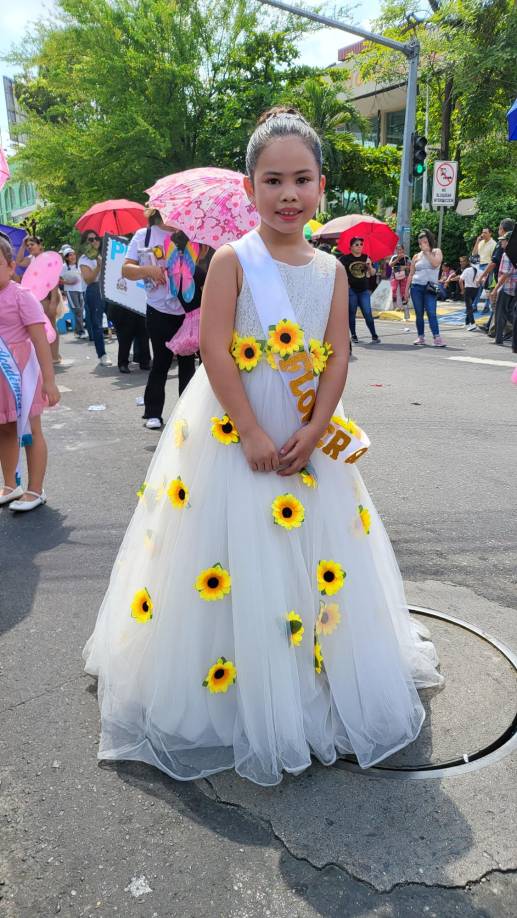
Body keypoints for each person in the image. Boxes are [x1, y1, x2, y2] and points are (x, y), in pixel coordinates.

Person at [83, 106, 443, 787]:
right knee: (229, 550)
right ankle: (239, 684)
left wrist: (314, 429)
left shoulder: (333, 270)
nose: (286, 194)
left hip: (307, 426)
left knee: (315, 555)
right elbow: (214, 346)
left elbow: (336, 354)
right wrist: (249, 428)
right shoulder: (231, 260)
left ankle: (315, 674)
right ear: (249, 188)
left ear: (320, 188)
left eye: (300, 180)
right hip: (230, 426)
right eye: (272, 179)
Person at [0, 237, 60, 511]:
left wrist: (49, 381)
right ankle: (11, 484)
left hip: (22, 375)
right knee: (5, 429)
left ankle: (36, 489)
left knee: (31, 430)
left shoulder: (20, 295)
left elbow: (39, 340)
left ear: (12, 266)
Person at [16, 235, 63, 364]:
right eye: (29, 245)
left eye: (33, 244)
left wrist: (54, 301)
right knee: (40, 327)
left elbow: (54, 281)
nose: (30, 247)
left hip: (48, 297)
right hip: (35, 298)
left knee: (51, 325)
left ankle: (54, 355)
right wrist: (22, 246)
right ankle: (46, 355)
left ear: (40, 245)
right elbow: (18, 261)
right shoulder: (30, 259)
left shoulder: (47, 258)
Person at [78, 230, 112, 367]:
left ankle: (126, 352)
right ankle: (102, 354)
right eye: (90, 240)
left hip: (109, 288)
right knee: (97, 324)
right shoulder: (84, 259)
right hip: (94, 289)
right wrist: (98, 267)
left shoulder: (106, 253)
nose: (94, 241)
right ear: (85, 242)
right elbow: (88, 279)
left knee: (117, 319)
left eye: (96, 238)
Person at [476, 219, 516, 333]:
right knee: (500, 306)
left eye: (499, 228)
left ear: (502, 230)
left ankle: (500, 331)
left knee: (500, 306)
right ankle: (491, 327)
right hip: (509, 281)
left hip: (503, 281)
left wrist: (481, 277)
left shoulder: (502, 244)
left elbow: (494, 263)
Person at [338, 237, 381, 344]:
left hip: (364, 290)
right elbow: (337, 271)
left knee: (367, 312)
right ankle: (353, 335)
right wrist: (345, 283)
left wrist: (369, 266)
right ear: (351, 247)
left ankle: (374, 335)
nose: (359, 246)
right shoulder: (345, 259)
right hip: (351, 290)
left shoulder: (366, 257)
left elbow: (372, 273)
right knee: (352, 313)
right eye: (356, 244)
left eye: (361, 244)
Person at [407, 229, 445, 347]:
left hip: (430, 288)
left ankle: (437, 337)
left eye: (425, 242)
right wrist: (406, 290)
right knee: (419, 313)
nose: (422, 244)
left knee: (431, 312)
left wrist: (427, 252)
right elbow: (411, 274)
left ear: (429, 241)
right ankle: (421, 336)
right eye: (420, 242)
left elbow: (435, 264)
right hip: (416, 286)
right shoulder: (416, 256)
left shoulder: (436, 252)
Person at [490, 233, 517, 346]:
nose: (501, 243)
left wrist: (495, 290)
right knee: (511, 313)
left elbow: (505, 274)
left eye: (503, 240)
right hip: (514, 288)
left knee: (500, 314)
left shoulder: (507, 255)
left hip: (506, 287)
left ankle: (498, 338)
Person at [60, 247, 86, 337]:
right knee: (77, 310)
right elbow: (58, 279)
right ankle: (80, 331)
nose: (73, 257)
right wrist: (68, 282)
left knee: (81, 310)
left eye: (74, 254)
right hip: (70, 291)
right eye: (70, 255)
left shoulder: (78, 265)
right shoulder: (63, 267)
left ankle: (77, 331)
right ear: (66, 257)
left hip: (80, 290)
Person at [471, 227, 496, 313]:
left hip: (488, 266)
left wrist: (489, 269)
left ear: (490, 233)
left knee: (487, 287)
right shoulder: (481, 242)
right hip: (480, 266)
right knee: (479, 286)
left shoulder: (493, 244)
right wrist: (477, 241)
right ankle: (476, 306)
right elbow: (474, 253)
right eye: (482, 232)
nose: (483, 234)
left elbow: (493, 259)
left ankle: (484, 306)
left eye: (485, 232)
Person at [456, 256, 481, 327]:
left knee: (469, 307)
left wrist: (462, 290)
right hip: (475, 290)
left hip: (468, 289)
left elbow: (460, 280)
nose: (461, 263)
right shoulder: (478, 270)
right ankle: (467, 323)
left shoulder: (467, 270)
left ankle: (472, 323)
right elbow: (482, 280)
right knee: (470, 306)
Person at [389, 244, 411, 316]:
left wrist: (403, 268)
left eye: (400, 249)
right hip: (395, 276)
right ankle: (395, 306)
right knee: (394, 289)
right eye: (398, 249)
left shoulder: (406, 257)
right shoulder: (394, 257)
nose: (399, 251)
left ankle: (404, 306)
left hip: (404, 276)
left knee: (403, 291)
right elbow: (390, 265)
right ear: (396, 250)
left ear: (403, 250)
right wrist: (397, 259)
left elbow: (410, 266)